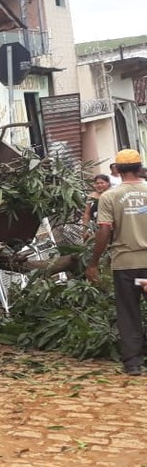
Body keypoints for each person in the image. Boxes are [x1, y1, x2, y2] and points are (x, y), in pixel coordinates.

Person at [86, 149, 147, 376]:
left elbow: (104, 230)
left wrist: (93, 262)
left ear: (118, 170)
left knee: (129, 313)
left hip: (126, 266)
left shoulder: (109, 197)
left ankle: (133, 364)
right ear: (140, 167)